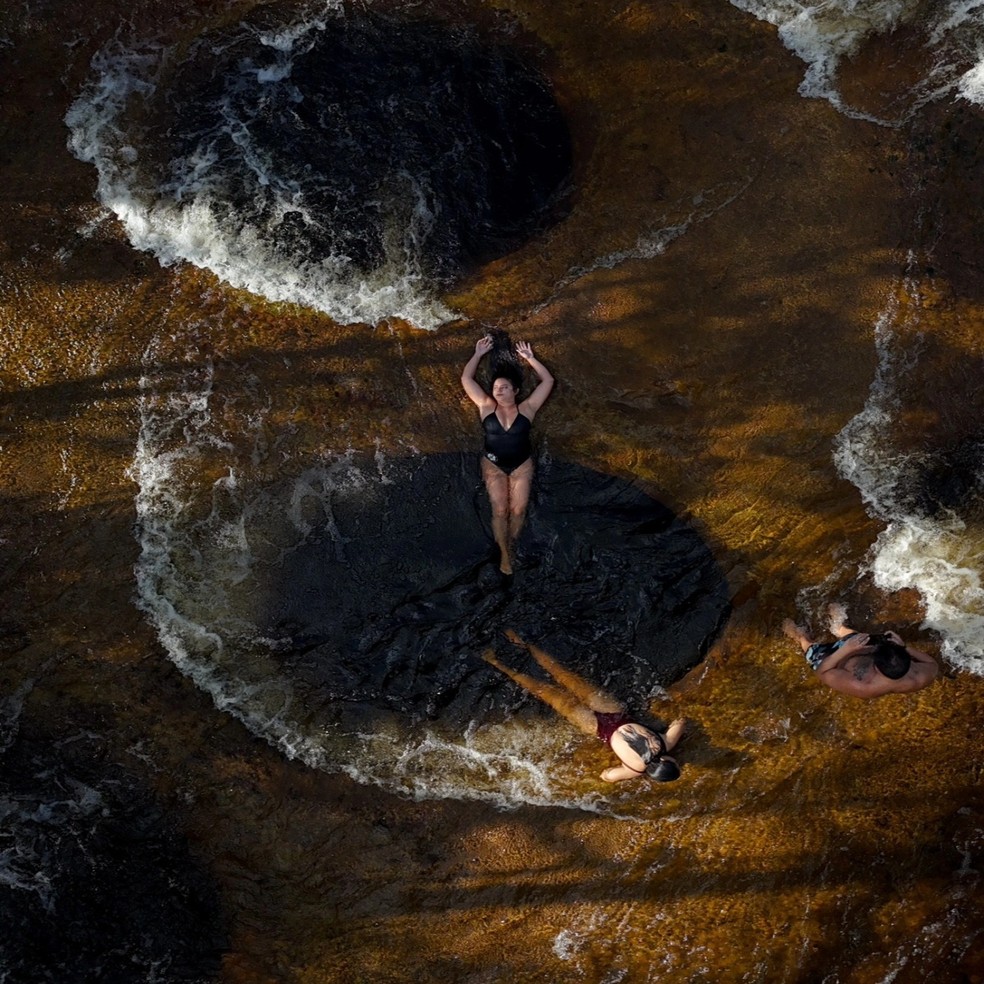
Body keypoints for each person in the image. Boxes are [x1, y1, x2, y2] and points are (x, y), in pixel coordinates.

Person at [483, 630, 685, 783]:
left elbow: (680, 721)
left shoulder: (665, 743)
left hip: (613, 711)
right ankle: (496, 662)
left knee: (562, 674)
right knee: (545, 692)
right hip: (597, 727)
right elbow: (606, 776)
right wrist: (630, 772)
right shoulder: (634, 769)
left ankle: (520, 640)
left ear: (668, 760)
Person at [461, 332, 554, 574]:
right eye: (495, 388)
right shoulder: (485, 406)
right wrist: (478, 354)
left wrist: (530, 358)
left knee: (518, 509)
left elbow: (548, 382)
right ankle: (504, 554)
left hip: (522, 465)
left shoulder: (528, 408)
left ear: (515, 390)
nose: (499, 391)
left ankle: (511, 542)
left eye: (504, 387)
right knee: (500, 509)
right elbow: (466, 378)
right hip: (493, 464)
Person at [783, 604, 938, 698]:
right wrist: (904, 646)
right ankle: (840, 628)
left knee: (803, 639)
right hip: (856, 647)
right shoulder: (921, 676)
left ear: (876, 666)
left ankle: (801, 636)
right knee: (842, 624)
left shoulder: (864, 686)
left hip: (833, 659)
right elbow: (931, 662)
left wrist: (846, 650)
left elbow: (822, 672)